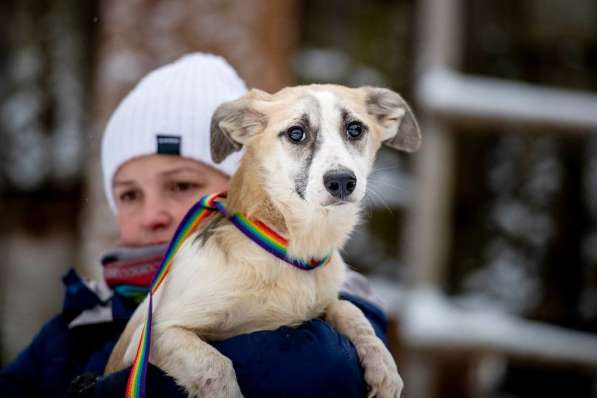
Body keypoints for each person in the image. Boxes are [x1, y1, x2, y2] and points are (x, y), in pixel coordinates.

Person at [0, 53, 389, 397]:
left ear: (248, 174)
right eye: (129, 195)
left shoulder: (336, 284)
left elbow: (318, 368)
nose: (153, 214)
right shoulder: (72, 329)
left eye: (181, 185)